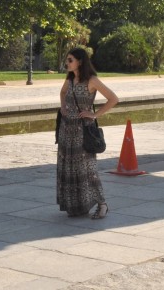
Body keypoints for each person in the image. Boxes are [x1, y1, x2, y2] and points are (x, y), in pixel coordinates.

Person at [57, 47, 119, 219]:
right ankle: (77, 205)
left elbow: (113, 99)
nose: (67, 63)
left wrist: (95, 114)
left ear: (80, 61)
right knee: (69, 168)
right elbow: (62, 92)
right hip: (66, 130)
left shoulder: (92, 80)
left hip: (82, 132)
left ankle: (102, 204)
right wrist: (63, 107)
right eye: (67, 60)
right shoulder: (70, 78)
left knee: (87, 169)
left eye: (70, 60)